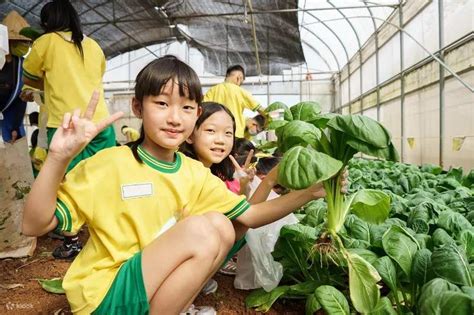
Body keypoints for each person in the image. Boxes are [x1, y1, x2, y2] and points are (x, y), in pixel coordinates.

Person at [22, 56, 333, 315]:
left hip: (148, 286)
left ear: (196, 114)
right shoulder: (109, 163)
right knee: (203, 229)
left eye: (186, 108)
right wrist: (58, 157)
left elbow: (250, 217)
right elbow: (34, 224)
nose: (174, 118)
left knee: (222, 227)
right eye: (161, 103)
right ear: (137, 107)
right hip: (105, 294)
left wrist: (309, 193)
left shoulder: (193, 173)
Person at [22, 0, 117, 260]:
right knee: (102, 179)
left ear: (46, 22)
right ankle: (107, 234)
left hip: (69, 126)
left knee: (64, 181)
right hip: (100, 123)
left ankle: (72, 241)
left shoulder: (45, 42)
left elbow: (28, 75)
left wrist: (44, 81)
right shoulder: (94, 45)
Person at [203, 65, 266, 138]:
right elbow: (261, 109)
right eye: (242, 81)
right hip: (234, 133)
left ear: (227, 76)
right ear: (239, 78)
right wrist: (270, 119)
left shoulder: (212, 90)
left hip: (214, 131)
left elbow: (203, 108)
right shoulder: (241, 92)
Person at [0, 11, 31, 143]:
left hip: (9, 122)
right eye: (17, 42)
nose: (24, 47)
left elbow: (20, 100)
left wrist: (15, 128)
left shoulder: (22, 65)